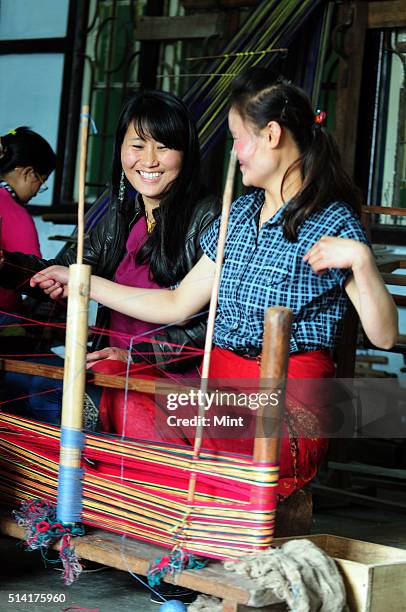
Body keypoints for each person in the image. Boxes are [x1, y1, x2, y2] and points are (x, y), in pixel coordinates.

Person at [31, 70, 398, 498]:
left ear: (272, 135)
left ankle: (189, 493)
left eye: (239, 138)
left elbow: (385, 336)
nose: (234, 153)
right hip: (216, 398)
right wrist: (81, 281)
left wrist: (362, 261)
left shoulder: (332, 222)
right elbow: (177, 303)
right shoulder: (239, 217)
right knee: (119, 387)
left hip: (282, 409)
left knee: (169, 429)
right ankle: (201, 494)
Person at [0, 91, 220, 425]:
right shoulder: (121, 216)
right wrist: (6, 265)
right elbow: (65, 269)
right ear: (120, 150)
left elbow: (216, 321)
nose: (148, 160)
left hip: (169, 379)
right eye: (137, 146)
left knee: (47, 396)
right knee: (22, 386)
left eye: (163, 147)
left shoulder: (209, 217)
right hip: (110, 365)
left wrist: (137, 356)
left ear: (186, 154)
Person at [0, 126, 55, 314]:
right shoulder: (13, 211)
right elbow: (35, 278)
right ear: (28, 173)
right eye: (42, 181)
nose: (37, 190)